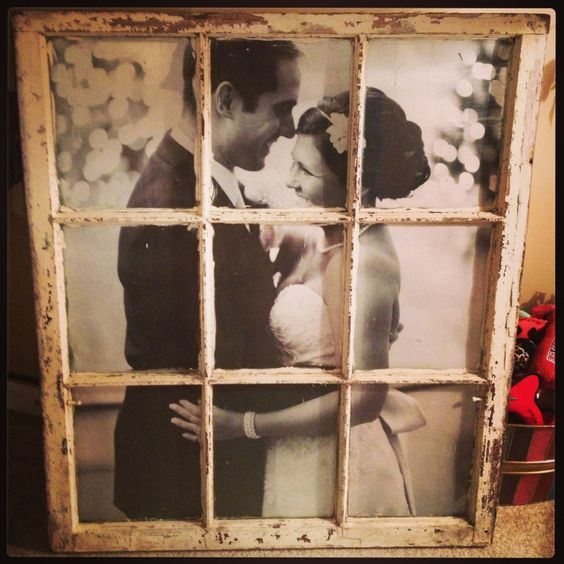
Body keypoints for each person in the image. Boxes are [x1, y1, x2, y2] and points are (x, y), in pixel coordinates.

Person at [170, 87, 430, 517]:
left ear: (357, 184)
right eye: (292, 161)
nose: (290, 180)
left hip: (334, 459)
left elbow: (366, 400)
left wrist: (244, 426)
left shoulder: (365, 262)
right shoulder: (325, 235)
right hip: (293, 442)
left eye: (306, 171)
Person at [114, 38, 310, 520]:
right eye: (281, 109)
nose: (289, 129)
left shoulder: (203, 179)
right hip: (186, 465)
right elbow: (200, 352)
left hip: (213, 447)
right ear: (224, 100)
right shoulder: (171, 203)